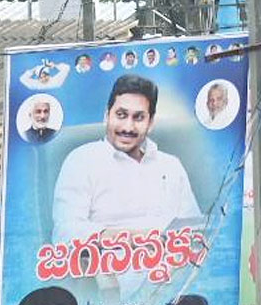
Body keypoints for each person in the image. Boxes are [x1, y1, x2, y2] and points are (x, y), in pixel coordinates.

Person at [51, 75, 201, 274]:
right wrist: (135, 238)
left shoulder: (171, 165)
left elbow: (195, 228)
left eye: (138, 117)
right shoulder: (82, 160)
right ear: (107, 115)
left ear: (151, 123)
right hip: (114, 278)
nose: (128, 127)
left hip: (178, 273)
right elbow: (64, 233)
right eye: (121, 115)